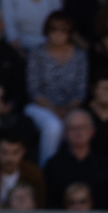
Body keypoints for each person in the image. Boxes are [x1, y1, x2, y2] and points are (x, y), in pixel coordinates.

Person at [25, 11, 88, 166]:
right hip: (40, 107)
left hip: (70, 108)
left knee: (79, 125)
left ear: (70, 33)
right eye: (54, 29)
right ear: (47, 31)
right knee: (53, 127)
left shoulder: (80, 56)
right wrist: (53, 109)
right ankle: (46, 169)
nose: (59, 34)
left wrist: (67, 109)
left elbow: (80, 90)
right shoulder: (36, 54)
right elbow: (34, 89)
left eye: (64, 30)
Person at [43, 108, 108, 210]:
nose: (79, 132)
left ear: (92, 131)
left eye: (83, 127)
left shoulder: (104, 164)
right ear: (65, 133)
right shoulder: (53, 165)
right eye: (73, 128)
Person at [0, 126, 45, 208]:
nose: (9, 158)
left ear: (23, 151)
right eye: (4, 152)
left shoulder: (33, 174)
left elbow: (40, 206)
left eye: (15, 152)